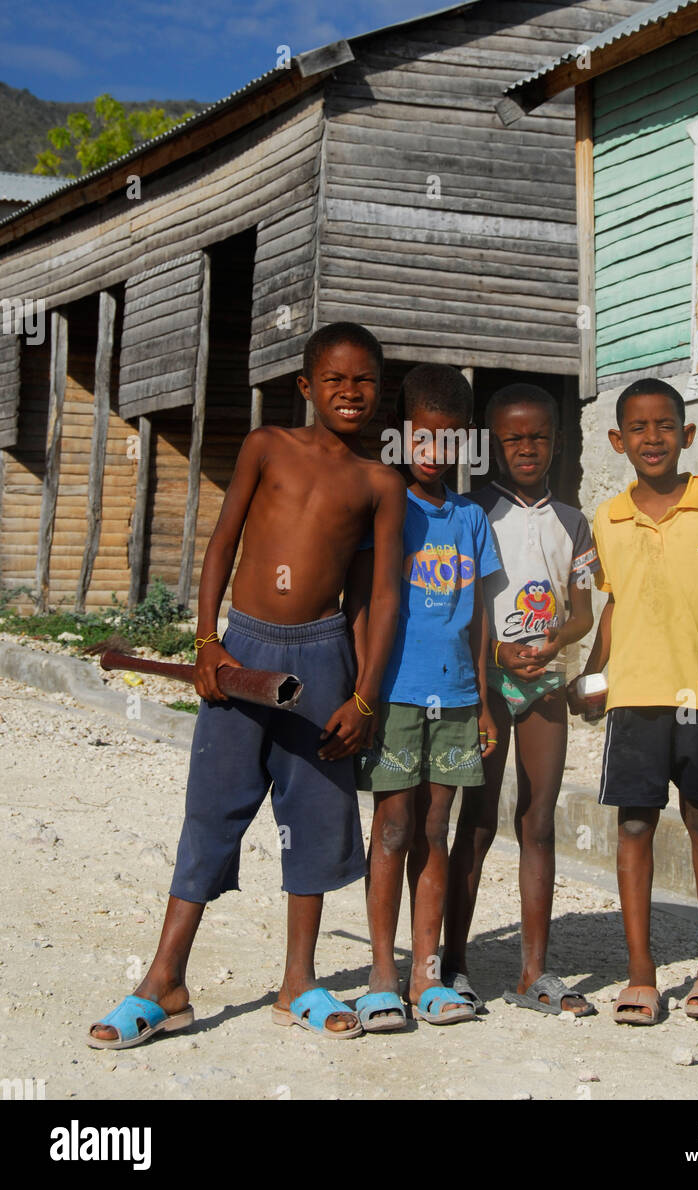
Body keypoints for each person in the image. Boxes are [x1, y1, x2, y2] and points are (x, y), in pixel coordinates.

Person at [87, 322, 405, 1046]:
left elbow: (381, 598)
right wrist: (207, 643)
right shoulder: (268, 446)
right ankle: (164, 980)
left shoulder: (379, 483)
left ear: (379, 392)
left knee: (317, 816)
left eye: (364, 382)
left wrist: (365, 696)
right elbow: (222, 542)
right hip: (245, 645)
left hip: (323, 658)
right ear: (306, 387)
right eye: (336, 380)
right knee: (212, 809)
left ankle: (300, 982)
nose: (351, 393)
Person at [578, 377, 698, 1025]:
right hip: (634, 696)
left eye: (665, 427)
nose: (652, 438)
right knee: (633, 825)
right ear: (616, 440)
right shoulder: (608, 517)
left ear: (687, 435)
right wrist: (593, 675)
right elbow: (612, 603)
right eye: (638, 429)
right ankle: (641, 974)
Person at [443, 383, 597, 1018]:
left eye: (539, 436)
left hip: (545, 684)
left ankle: (534, 971)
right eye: (513, 438)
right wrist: (497, 655)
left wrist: (556, 638)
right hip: (485, 682)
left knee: (537, 819)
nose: (527, 448)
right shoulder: (474, 512)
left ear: (556, 441)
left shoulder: (573, 520)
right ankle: (451, 964)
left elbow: (584, 608)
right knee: (476, 820)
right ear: (493, 443)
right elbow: (463, 602)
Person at [355, 363, 501, 1029]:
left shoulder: (472, 520)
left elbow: (481, 621)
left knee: (436, 831)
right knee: (392, 828)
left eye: (450, 441)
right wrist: (364, 690)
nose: (435, 453)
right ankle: (382, 974)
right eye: (423, 438)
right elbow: (362, 604)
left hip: (459, 700)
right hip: (395, 696)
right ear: (399, 435)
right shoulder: (386, 507)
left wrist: (488, 703)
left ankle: (427, 974)